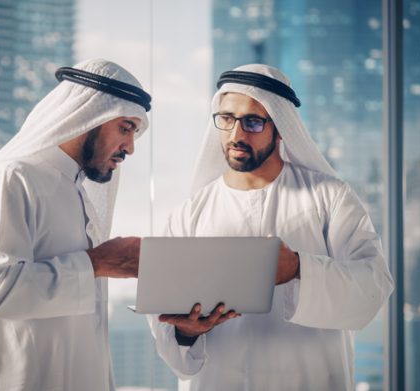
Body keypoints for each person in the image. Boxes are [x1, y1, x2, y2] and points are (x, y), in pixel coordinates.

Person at [149, 64, 394, 390]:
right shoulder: (189, 213)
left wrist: (299, 268)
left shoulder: (329, 197)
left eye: (252, 121)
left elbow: (373, 287)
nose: (236, 135)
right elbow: (167, 329)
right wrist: (187, 331)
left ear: (281, 128)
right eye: (227, 119)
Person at [0, 59, 151, 391]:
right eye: (125, 128)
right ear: (88, 117)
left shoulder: (75, 189)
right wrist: (99, 262)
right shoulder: (12, 179)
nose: (130, 148)